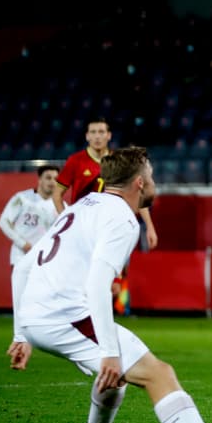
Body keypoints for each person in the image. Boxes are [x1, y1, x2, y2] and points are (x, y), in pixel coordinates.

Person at [8, 147, 212, 423]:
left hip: (39, 314)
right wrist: (109, 351)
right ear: (139, 182)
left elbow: (23, 268)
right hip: (64, 315)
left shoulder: (81, 207)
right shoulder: (121, 218)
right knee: (158, 373)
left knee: (114, 378)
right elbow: (97, 283)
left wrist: (21, 332)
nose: (153, 182)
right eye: (151, 176)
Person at [55, 117, 157, 314]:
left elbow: (138, 191)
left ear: (109, 135)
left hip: (112, 225)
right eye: (93, 132)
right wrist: (67, 220)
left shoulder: (120, 162)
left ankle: (110, 309)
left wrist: (149, 226)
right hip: (85, 230)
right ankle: (85, 315)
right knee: (84, 276)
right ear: (87, 136)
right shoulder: (76, 161)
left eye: (101, 132)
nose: (97, 136)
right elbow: (57, 194)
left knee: (110, 276)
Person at [0, 165, 59, 270]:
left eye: (56, 179)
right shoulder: (23, 198)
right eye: (48, 178)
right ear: (40, 180)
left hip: (45, 260)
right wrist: (23, 244)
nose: (52, 182)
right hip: (21, 257)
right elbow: (4, 221)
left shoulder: (61, 206)